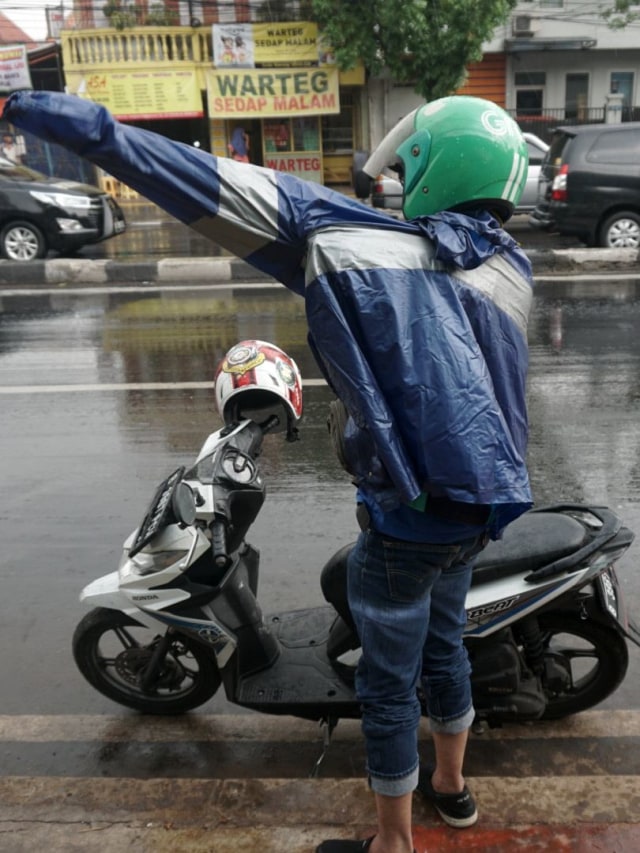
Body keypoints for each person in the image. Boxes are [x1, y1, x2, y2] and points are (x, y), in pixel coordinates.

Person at [2, 91, 533, 853]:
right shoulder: (511, 270)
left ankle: (392, 841)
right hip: (480, 514)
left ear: (431, 170)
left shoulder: (352, 242)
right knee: (444, 648)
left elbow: (193, 177)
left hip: (406, 519)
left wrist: (52, 116)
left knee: (388, 683)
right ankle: (453, 791)